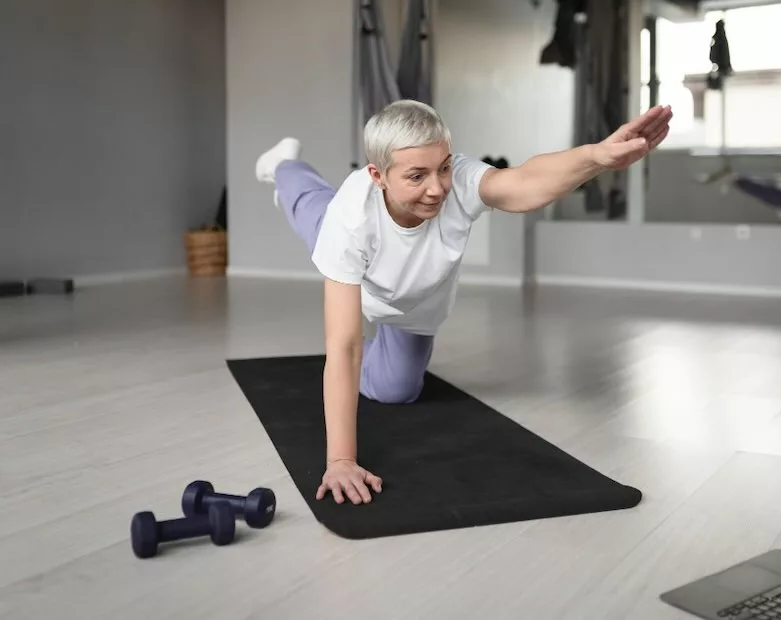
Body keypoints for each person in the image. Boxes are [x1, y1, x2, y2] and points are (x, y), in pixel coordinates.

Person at [255, 99, 672, 506]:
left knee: (398, 391)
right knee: (315, 212)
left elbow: (525, 182)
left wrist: (598, 156)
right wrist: (341, 460)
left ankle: (384, 352)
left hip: (413, 307)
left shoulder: (462, 182)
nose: (436, 188)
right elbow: (345, 346)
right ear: (378, 176)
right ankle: (285, 165)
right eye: (417, 176)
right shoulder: (352, 219)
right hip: (361, 274)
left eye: (443, 168)